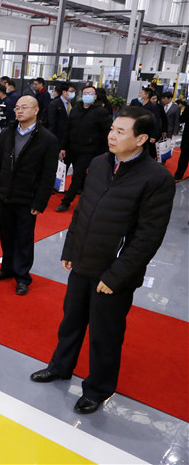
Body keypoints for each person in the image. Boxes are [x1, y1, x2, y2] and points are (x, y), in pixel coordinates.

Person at [30, 106, 175, 414]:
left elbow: (148, 237)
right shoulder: (99, 163)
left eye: (121, 132)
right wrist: (70, 249)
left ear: (141, 139)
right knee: (71, 321)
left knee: (104, 334)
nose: (112, 135)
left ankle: (98, 388)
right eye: (112, 129)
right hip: (83, 261)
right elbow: (83, 211)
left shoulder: (156, 178)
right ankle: (60, 366)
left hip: (113, 273)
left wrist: (116, 276)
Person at [0, 95, 59, 295]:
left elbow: (48, 174)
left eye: (24, 107)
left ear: (36, 110)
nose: (19, 111)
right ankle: (7, 268)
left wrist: (40, 201)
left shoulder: (47, 139)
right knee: (6, 234)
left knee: (24, 238)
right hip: (5, 193)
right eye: (17, 107)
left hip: (27, 197)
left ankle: (22, 276)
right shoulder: (7, 133)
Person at [55, 85, 112, 213]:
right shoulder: (76, 109)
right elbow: (68, 129)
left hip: (88, 150)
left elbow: (106, 133)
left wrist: (103, 152)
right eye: (85, 93)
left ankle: (66, 202)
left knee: (77, 175)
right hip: (72, 148)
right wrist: (63, 147)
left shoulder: (100, 112)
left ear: (95, 97)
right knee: (74, 175)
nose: (87, 96)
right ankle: (84, 193)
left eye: (90, 94)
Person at [174, 100, 189, 181]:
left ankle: (178, 175)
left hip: (187, 137)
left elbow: (182, 119)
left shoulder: (188, 108)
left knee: (184, 157)